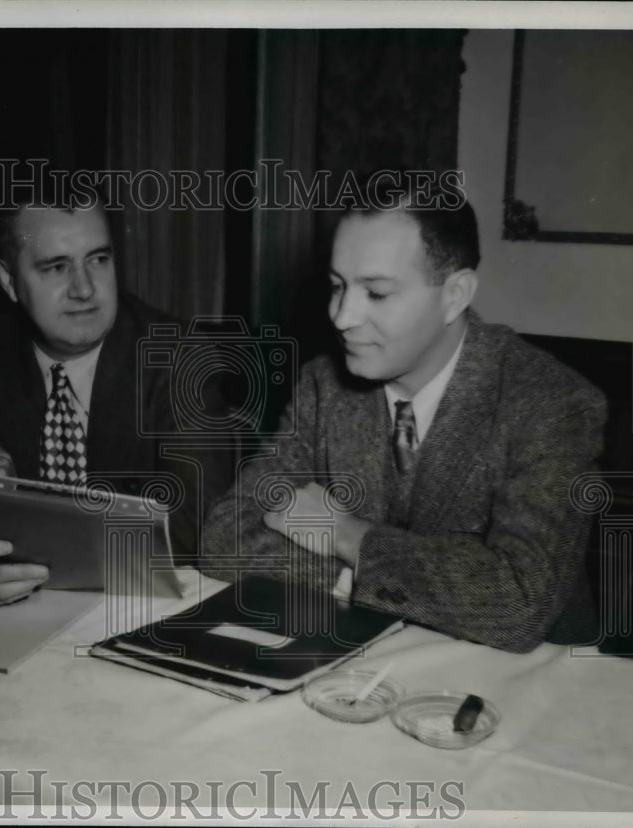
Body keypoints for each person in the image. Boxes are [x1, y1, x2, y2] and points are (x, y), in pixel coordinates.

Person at [199, 178, 606, 653]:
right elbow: (226, 539)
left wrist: (345, 535)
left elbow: (516, 605)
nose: (343, 317)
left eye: (376, 293)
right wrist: (399, 578)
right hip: (361, 664)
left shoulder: (552, 403)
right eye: (337, 287)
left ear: (455, 294)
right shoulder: (322, 385)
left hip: (525, 688)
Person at [0, 185, 231, 606]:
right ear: (8, 280)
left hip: (137, 608)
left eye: (98, 260)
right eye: (55, 268)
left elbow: (198, 529)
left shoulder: (180, 358)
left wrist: (18, 501)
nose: (84, 289)